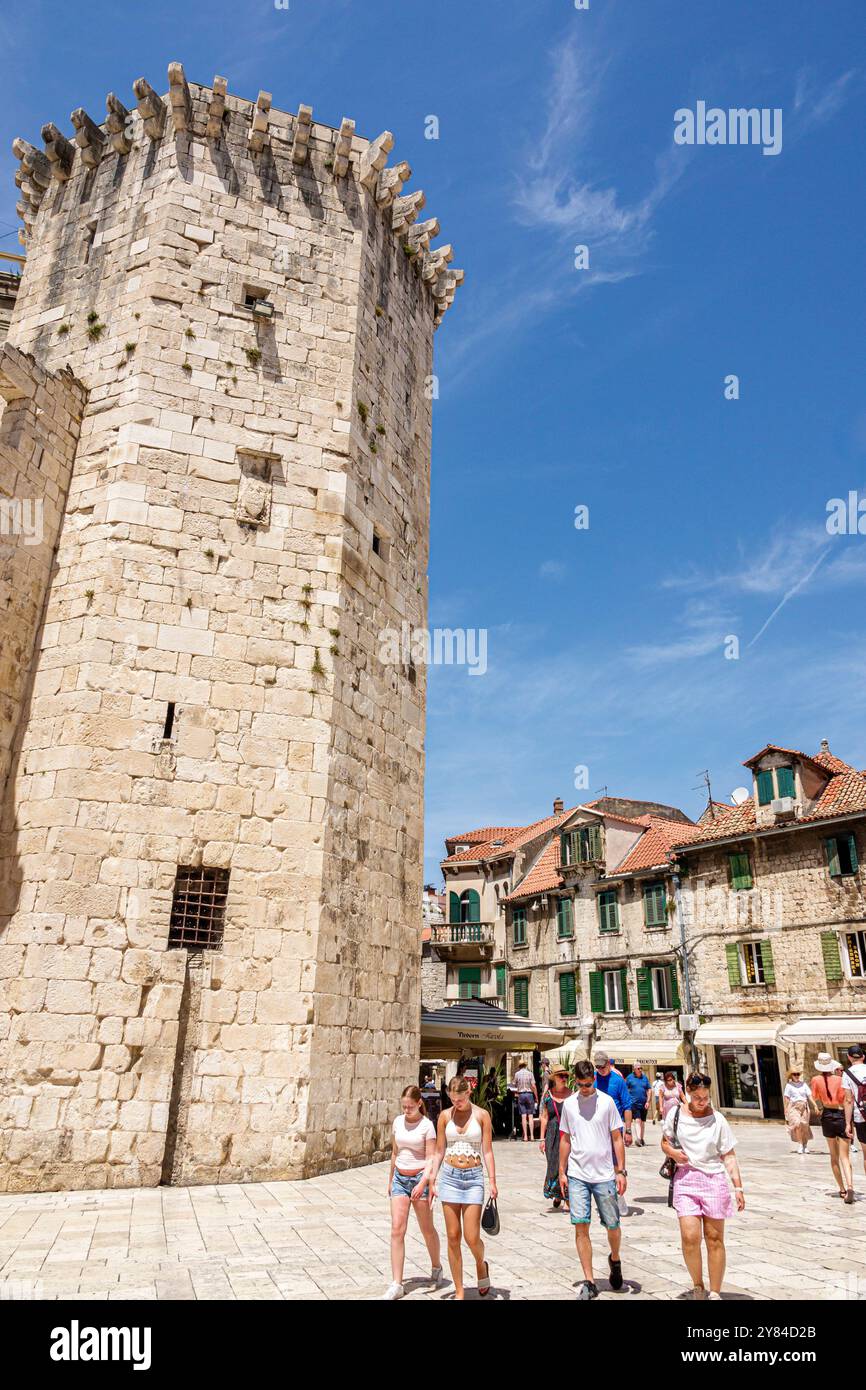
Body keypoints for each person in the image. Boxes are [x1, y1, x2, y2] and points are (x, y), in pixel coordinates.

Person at [661, 1071, 745, 1301]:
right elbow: (665, 1142)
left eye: (706, 1097)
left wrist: (737, 1187)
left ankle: (715, 1291)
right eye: (698, 1097)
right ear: (687, 1093)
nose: (702, 1101)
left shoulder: (717, 1119)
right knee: (689, 1236)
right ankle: (698, 1286)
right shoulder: (675, 1115)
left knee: (714, 1237)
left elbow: (728, 1154)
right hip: (685, 1179)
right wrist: (672, 1152)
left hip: (713, 1180)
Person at [558, 1058, 628, 1301]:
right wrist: (561, 1171)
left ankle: (615, 1258)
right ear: (575, 1081)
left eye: (589, 1084)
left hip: (605, 1174)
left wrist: (621, 1170)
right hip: (577, 1174)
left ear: (594, 1080)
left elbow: (617, 1138)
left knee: (613, 1225)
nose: (585, 1089)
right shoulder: (569, 1105)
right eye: (581, 1085)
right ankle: (589, 1280)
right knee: (581, 1225)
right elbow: (565, 1139)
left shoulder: (607, 1103)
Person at [431, 1076, 498, 1299]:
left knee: (471, 1237)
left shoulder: (482, 1115)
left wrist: (493, 1181)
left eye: (460, 1099)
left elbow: (487, 1150)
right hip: (449, 1176)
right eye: (453, 1099)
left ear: (468, 1093)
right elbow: (439, 1150)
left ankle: (481, 1263)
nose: (456, 1103)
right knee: (452, 1236)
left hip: (473, 1178)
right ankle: (459, 1291)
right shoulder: (444, 1116)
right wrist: (432, 1177)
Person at [382, 1086, 443, 1300]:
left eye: (410, 1106)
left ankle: (436, 1266)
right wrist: (390, 1180)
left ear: (419, 1103)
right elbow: (395, 1152)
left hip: (420, 1178)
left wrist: (424, 1182)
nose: (407, 1110)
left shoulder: (427, 1126)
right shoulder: (398, 1122)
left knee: (427, 1229)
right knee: (397, 1229)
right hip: (400, 1177)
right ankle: (397, 1283)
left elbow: (431, 1157)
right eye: (404, 1106)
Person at [593, 1050, 633, 1214]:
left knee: (617, 1163)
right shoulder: (593, 1080)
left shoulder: (618, 1081)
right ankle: (605, 1198)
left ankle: (620, 1196)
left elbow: (627, 1106)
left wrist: (629, 1130)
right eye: (598, 1067)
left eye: (602, 1067)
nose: (600, 1070)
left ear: (608, 1064)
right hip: (597, 1128)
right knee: (600, 1163)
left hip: (614, 1128)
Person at [811, 1052, 854, 1203]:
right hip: (841, 1114)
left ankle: (841, 1189)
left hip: (827, 1115)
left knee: (833, 1156)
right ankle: (850, 1185)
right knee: (845, 1156)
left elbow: (815, 1096)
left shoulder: (815, 1079)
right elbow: (846, 1099)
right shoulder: (840, 1079)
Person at [539, 1064, 573, 1207]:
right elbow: (545, 1117)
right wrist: (542, 1138)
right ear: (554, 1078)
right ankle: (558, 1194)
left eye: (566, 1076)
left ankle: (567, 1199)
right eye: (561, 1076)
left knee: (567, 1165)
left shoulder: (572, 1095)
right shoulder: (548, 1096)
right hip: (552, 1135)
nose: (564, 1078)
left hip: (567, 1134)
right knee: (553, 1165)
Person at [842, 1043, 866, 1178]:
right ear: (863, 1057)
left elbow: (848, 1100)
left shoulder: (847, 1074)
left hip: (860, 1116)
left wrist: (847, 1124)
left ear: (849, 1057)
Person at [783, 1068, 816, 1153]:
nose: (797, 1076)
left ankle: (805, 1145)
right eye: (795, 1074)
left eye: (798, 1074)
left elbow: (809, 1096)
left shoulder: (803, 1084)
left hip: (804, 1106)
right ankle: (800, 1144)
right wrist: (786, 1109)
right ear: (791, 1076)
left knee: (804, 1125)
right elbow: (786, 1098)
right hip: (793, 1106)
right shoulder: (789, 1085)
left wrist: (815, 1105)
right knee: (797, 1124)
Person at [625, 1064, 651, 1146]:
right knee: (637, 1120)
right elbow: (625, 1089)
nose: (640, 1070)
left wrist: (648, 1101)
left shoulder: (644, 1078)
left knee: (642, 1122)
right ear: (634, 1069)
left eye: (641, 1068)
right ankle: (638, 1139)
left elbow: (649, 1089)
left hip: (644, 1103)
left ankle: (641, 1139)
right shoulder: (629, 1078)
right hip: (634, 1103)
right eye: (638, 1068)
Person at [513, 1057, 538, 1142]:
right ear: (525, 1065)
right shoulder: (530, 1073)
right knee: (530, 1115)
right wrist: (536, 1097)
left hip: (521, 1095)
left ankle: (525, 1137)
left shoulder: (517, 1074)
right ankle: (532, 1136)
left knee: (523, 1116)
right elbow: (533, 1086)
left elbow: (514, 1085)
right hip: (529, 1094)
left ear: (519, 1066)